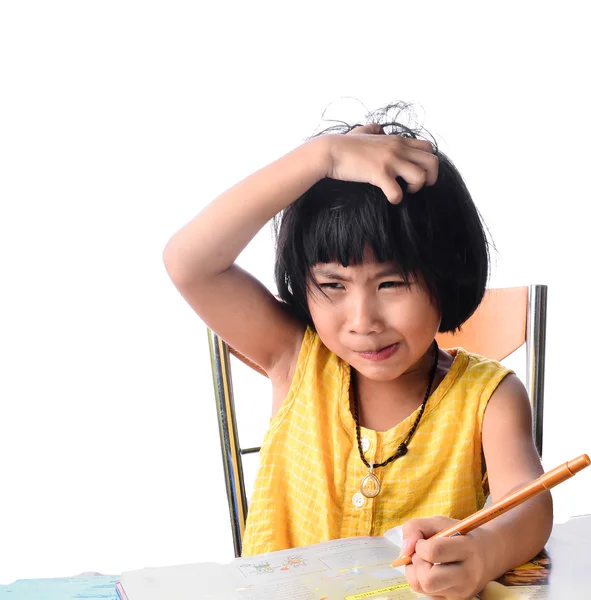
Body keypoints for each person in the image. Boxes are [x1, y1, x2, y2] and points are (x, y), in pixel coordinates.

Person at [163, 103, 553, 600]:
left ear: (446, 274)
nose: (362, 320)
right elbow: (188, 262)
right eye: (332, 284)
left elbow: (529, 506)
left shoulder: (488, 396)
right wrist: (320, 158)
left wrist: (483, 553)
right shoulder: (295, 357)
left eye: (391, 282)